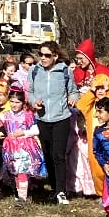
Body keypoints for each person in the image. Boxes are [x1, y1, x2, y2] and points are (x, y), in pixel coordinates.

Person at [26, 44, 79, 205]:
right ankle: (54, 188)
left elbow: (73, 91)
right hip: (42, 119)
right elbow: (30, 93)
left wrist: (73, 98)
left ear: (55, 56)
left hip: (61, 117)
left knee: (58, 155)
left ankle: (62, 191)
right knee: (48, 155)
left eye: (47, 55)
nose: (43, 58)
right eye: (41, 54)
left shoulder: (64, 71)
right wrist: (34, 102)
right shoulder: (34, 71)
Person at [0, 88, 44, 203]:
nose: (14, 104)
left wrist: (23, 133)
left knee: (22, 170)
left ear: (23, 103)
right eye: (12, 101)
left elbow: (36, 130)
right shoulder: (5, 115)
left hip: (24, 146)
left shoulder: (28, 115)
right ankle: (19, 193)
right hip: (10, 147)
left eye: (17, 102)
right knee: (15, 171)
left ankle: (22, 197)